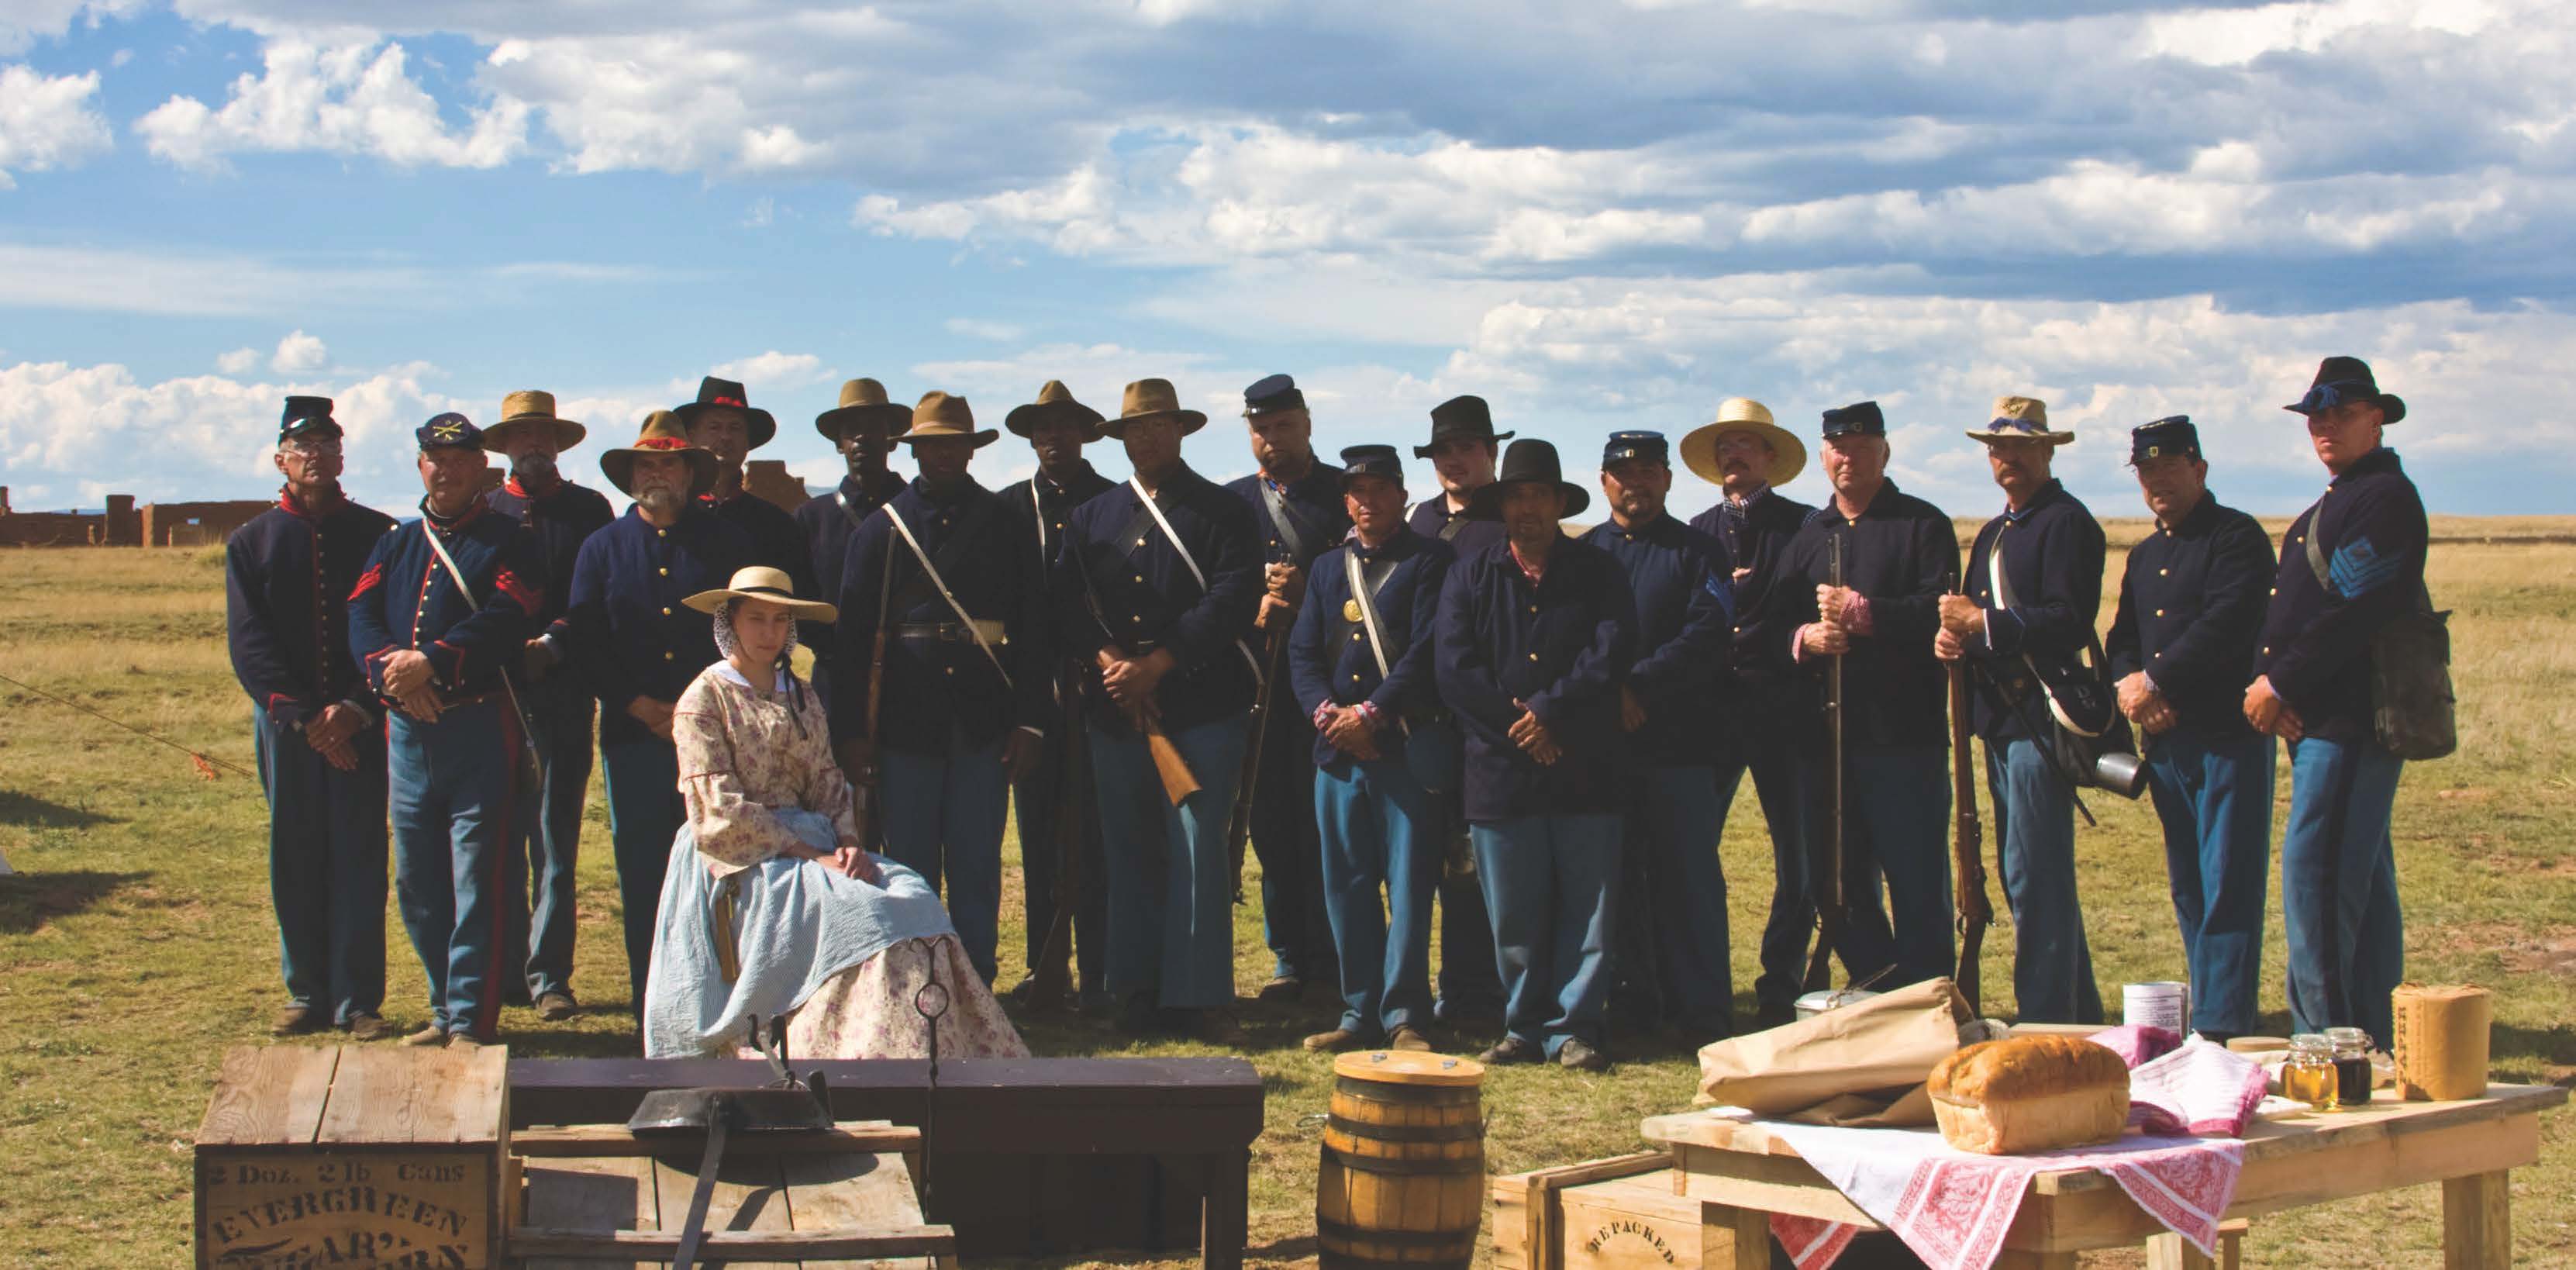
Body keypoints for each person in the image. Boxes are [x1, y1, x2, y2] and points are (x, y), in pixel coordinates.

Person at [643, 567, 1026, 1062]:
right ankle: (847, 1052)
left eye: (780, 621)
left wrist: (846, 844)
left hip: (817, 846)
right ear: (730, 621)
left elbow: (827, 780)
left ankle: (941, 1052)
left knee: (914, 897)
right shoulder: (703, 699)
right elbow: (716, 809)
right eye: (756, 619)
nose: (769, 633)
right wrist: (809, 854)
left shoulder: (802, 695)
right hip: (739, 856)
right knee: (867, 913)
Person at [1051, 378, 1263, 1041]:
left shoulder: (1223, 510)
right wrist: (1111, 660)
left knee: (1199, 853)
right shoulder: (1093, 516)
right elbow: (1067, 600)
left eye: (1157, 426)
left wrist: (1159, 663)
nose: (1146, 438)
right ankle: (1136, 989)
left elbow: (1230, 598)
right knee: (1130, 848)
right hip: (1120, 708)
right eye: (1134, 430)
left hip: (1201, 703)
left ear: (1180, 430)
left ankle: (1199, 996)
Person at [830, 392, 1051, 985]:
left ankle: (975, 981)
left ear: (971, 450)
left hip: (984, 720)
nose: (943, 453)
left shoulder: (1006, 524)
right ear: (916, 449)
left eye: (954, 442)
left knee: (978, 864)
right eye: (932, 443)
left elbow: (1033, 630)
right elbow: (851, 643)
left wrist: (1031, 720)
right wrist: (852, 733)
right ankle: (914, 982)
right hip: (905, 723)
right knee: (909, 867)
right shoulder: (881, 529)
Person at [1436, 439, 1636, 1072]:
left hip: (1584, 766)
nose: (1528, 509)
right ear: (1502, 505)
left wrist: (1549, 712)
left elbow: (1608, 654)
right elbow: (1454, 666)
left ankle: (1575, 1027)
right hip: (1498, 772)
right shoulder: (1468, 573)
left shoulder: (1598, 571)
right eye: (1517, 496)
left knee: (1589, 911)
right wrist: (1518, 724)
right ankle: (1522, 1026)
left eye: (1539, 496)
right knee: (1513, 913)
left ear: (1557, 502)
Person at [347, 412, 547, 1047]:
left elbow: (511, 612)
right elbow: (362, 612)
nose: (447, 468)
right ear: (420, 465)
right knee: (418, 881)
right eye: (436, 457)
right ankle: (441, 1006)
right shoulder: (396, 542)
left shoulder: (507, 539)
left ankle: (470, 1018)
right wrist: (389, 673)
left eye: (461, 459)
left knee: (476, 879)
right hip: (408, 731)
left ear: (482, 468)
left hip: (478, 726)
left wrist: (433, 661)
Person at [2249, 357, 2429, 1047]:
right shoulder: (2343, 498)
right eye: (2316, 416)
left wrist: (2280, 684)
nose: (2324, 426)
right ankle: (2378, 1045)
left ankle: (2325, 1046)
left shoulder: (2382, 498)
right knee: (2363, 890)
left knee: (2319, 884)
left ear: (2376, 417)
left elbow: (2353, 610)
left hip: (2348, 721)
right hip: (2322, 718)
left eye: (2341, 413)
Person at [556, 410, 756, 1022]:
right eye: (645, 464)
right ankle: (654, 995)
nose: (656, 473)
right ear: (630, 475)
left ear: (689, 471)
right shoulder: (602, 548)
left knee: (724, 862)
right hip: (634, 733)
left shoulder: (725, 545)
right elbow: (586, 640)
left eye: (668, 462)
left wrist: (699, 709)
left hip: (715, 737)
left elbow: (744, 632)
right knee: (642, 867)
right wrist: (637, 705)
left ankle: (730, 994)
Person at [1754, 401, 1958, 992]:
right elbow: (1771, 625)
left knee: (1916, 878)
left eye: (1862, 447)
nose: (1848, 458)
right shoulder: (1808, 537)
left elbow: (1940, 612)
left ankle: (1929, 997)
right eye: (1838, 449)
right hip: (1824, 743)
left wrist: (1870, 616)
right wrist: (1804, 638)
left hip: (1903, 738)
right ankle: (1881, 985)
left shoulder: (1922, 526)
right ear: (1823, 457)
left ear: (1884, 452)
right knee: (1834, 883)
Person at [226, 395, 398, 1041]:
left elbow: (387, 624)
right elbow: (250, 643)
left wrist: (354, 708)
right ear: (280, 459)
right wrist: (305, 720)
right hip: (289, 728)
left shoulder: (379, 533)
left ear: (343, 454)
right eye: (302, 448)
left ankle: (359, 1001)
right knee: (295, 853)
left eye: (328, 445)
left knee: (359, 853)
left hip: (362, 718)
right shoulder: (252, 541)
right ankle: (306, 992)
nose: (315, 457)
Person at [2105, 416, 2277, 1042]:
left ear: (2198, 469)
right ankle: (2207, 1002)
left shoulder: (2235, 538)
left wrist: (2156, 682)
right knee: (2188, 883)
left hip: (2225, 735)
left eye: (2169, 468)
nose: (2157, 481)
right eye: (2146, 471)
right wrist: (2131, 687)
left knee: (2228, 878)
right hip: (2166, 739)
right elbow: (2122, 638)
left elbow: (2227, 622)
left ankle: (2221, 1020)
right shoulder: (2147, 553)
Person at [1940, 395, 2108, 1025]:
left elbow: (2066, 622)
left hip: (2041, 718)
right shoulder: (1995, 530)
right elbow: (1977, 626)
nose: (2005, 458)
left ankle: (2046, 1015)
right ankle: (2076, 1012)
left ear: (2046, 450)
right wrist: (1955, 638)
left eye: (2018, 446)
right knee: (2026, 875)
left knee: (2033, 875)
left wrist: (1982, 623)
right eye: (1996, 448)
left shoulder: (2064, 523)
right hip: (2001, 719)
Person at [1289, 444, 1454, 1053]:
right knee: (1347, 886)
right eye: (1358, 492)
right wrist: (1325, 714)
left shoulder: (1434, 560)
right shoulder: (1330, 568)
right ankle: (1358, 1012)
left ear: (1401, 496)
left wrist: (1373, 712)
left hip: (1402, 747)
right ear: (1346, 501)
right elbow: (1303, 651)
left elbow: (1428, 648)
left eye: (1380, 489)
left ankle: (1405, 1016)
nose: (1368, 502)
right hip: (1337, 754)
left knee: (1409, 888)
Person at [1581, 430, 1735, 1044]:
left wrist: (1636, 686)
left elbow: (1707, 632)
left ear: (1667, 480)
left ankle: (1701, 1012)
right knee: (1615, 883)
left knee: (1687, 880)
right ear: (1603, 482)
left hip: (1681, 743)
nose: (1633, 484)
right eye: (1621, 474)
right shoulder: (1587, 552)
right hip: (1605, 747)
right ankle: (1632, 1004)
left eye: (1647, 472)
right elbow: (1576, 639)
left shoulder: (1700, 551)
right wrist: (1605, 692)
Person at [1681, 397, 1819, 1027]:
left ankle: (1780, 983)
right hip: (1709, 713)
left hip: (1784, 710)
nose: (1732, 454)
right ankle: (1699, 984)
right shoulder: (1695, 532)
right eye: (1724, 446)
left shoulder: (1804, 527)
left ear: (1770, 457)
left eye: (1745, 444)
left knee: (1799, 855)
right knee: (1690, 848)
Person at [483, 390, 615, 1021]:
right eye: (521, 435)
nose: (532, 444)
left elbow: (598, 597)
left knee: (555, 840)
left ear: (558, 444)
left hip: (563, 693)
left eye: (543, 435)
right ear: (505, 445)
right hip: (492, 696)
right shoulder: (483, 510)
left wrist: (556, 641)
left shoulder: (589, 511)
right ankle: (502, 969)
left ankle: (550, 974)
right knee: (496, 834)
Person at [1224, 374, 1350, 1003]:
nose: (1271, 440)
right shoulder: (1229, 504)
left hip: (1329, 690)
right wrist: (1256, 606)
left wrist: (1306, 600)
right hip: (1258, 693)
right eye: (1260, 430)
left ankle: (1335, 957)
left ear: (1306, 424)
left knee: (1329, 833)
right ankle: (1288, 959)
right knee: (1270, 828)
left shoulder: (1344, 496)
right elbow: (1216, 591)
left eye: (1282, 427)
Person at [997, 380, 1116, 1010]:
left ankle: (1099, 973)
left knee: (1097, 842)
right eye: (1043, 429)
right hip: (1032, 703)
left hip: (1102, 696)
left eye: (1065, 427)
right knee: (1039, 839)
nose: (1053, 438)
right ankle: (1043, 968)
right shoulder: (1009, 507)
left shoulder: (1116, 503)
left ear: (1084, 434)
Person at [1405, 394, 1511, 1033]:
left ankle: (1481, 994)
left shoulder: (1511, 518)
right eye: (1444, 450)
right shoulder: (1417, 519)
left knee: (1480, 865)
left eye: (1467, 448)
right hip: (1420, 718)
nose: (1455, 461)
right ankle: (1440, 993)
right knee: (1431, 863)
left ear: (1490, 452)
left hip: (1487, 715)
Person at [795, 378, 912, 708]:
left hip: (911, 675)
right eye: (852, 429)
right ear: (838, 443)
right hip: (836, 679)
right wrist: (836, 646)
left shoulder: (915, 509)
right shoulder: (811, 519)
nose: (862, 437)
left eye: (874, 427)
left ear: (892, 441)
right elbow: (801, 603)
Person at [678, 374, 815, 599]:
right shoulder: (670, 517)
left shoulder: (777, 526)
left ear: (748, 442)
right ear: (691, 437)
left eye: (735, 428)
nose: (725, 436)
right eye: (714, 427)